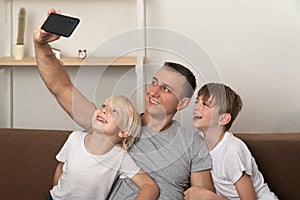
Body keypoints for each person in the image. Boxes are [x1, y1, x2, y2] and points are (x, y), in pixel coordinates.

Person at [34, 9, 214, 199]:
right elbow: (62, 88)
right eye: (154, 82)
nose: (153, 92)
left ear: (182, 103)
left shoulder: (193, 144)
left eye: (166, 89)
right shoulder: (114, 123)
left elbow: (202, 195)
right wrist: (41, 45)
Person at [46, 95, 159, 200]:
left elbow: (149, 186)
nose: (104, 110)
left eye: (114, 111)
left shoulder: (120, 158)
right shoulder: (75, 138)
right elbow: (61, 167)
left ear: (123, 132)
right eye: (104, 105)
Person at [184, 83, 278, 200]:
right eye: (197, 102)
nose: (196, 107)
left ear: (223, 119)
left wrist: (209, 197)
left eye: (205, 104)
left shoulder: (232, 151)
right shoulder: (199, 141)